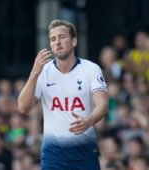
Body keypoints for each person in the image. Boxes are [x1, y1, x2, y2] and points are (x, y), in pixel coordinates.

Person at [18, 19, 108, 170]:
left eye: (62, 37)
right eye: (53, 39)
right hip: (53, 156)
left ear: (74, 41)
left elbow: (103, 105)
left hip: (84, 153)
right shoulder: (43, 71)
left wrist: (89, 120)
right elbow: (23, 107)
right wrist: (34, 73)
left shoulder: (91, 69)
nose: (57, 42)